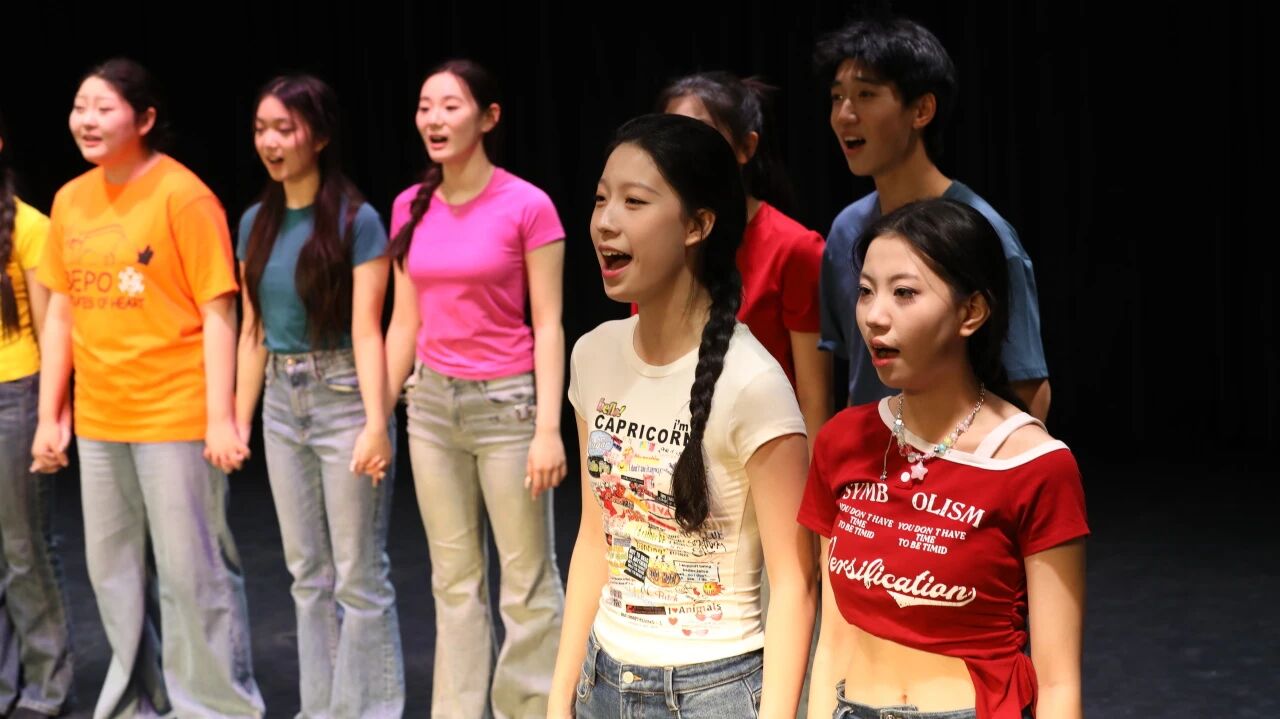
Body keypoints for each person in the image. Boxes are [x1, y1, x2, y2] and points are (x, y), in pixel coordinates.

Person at [548, 113, 816, 718]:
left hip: (713, 690)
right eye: (600, 199)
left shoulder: (754, 384)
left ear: (698, 225)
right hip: (602, 680)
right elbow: (595, 537)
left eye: (634, 201)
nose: (605, 221)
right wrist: (559, 696)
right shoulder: (593, 354)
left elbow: (795, 585)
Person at [31, 58, 264, 718]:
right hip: (102, 418)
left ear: (145, 119)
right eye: (80, 106)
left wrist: (220, 417)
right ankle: (136, 703)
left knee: (193, 572)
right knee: (114, 574)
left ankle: (216, 707)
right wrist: (52, 414)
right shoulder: (71, 200)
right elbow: (61, 312)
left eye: (103, 108)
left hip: (174, 411)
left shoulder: (182, 196)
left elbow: (220, 311)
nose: (87, 120)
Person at [800, 199, 1087, 719]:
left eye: (904, 292)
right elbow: (835, 639)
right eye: (865, 291)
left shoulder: (1035, 465)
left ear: (971, 312)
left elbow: (1058, 681)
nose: (875, 316)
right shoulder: (842, 441)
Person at [384, 58, 567, 719]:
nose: (434, 119)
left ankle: (532, 709)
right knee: (454, 582)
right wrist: (376, 417)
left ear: (488, 118)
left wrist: (548, 428)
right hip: (432, 406)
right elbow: (404, 321)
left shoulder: (527, 205)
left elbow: (548, 323)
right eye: (425, 106)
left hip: (507, 408)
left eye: (450, 105)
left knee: (527, 583)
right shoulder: (410, 204)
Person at [232, 74, 402, 718]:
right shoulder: (255, 222)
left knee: (358, 574)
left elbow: (368, 330)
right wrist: (237, 422)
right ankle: (320, 709)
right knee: (307, 575)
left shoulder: (358, 220)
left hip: (342, 395)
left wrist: (376, 421)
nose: (270, 142)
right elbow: (253, 332)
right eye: (261, 129)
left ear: (320, 136)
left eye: (285, 128)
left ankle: (371, 709)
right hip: (281, 401)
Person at [815, 16, 1051, 419]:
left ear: (922, 109)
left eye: (866, 95)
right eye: (838, 97)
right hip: (875, 454)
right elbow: (855, 374)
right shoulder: (846, 230)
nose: (844, 115)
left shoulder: (983, 232)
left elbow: (1028, 389)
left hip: (955, 453)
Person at [658, 71, 831, 449]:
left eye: (700, 134)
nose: (682, 151)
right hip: (668, 453)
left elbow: (814, 399)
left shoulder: (795, 248)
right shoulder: (658, 241)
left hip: (764, 456)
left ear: (746, 147)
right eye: (671, 136)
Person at [0, 110, 74, 719]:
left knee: (24, 548)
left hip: (15, 393)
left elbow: (54, 329)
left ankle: (47, 685)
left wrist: (52, 416)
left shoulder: (29, 225)